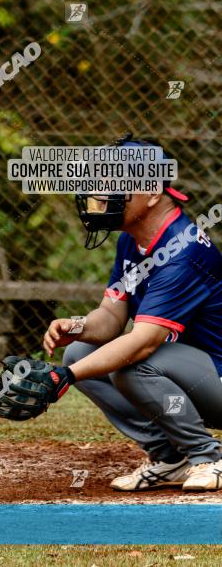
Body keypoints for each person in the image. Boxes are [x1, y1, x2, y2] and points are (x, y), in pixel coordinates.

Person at [42, 134, 222, 491]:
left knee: (131, 361)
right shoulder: (132, 239)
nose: (102, 192)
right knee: (80, 350)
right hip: (192, 373)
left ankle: (208, 456)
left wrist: (66, 377)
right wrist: (76, 326)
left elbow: (141, 344)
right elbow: (110, 318)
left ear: (153, 193)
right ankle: (171, 457)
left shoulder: (182, 250)